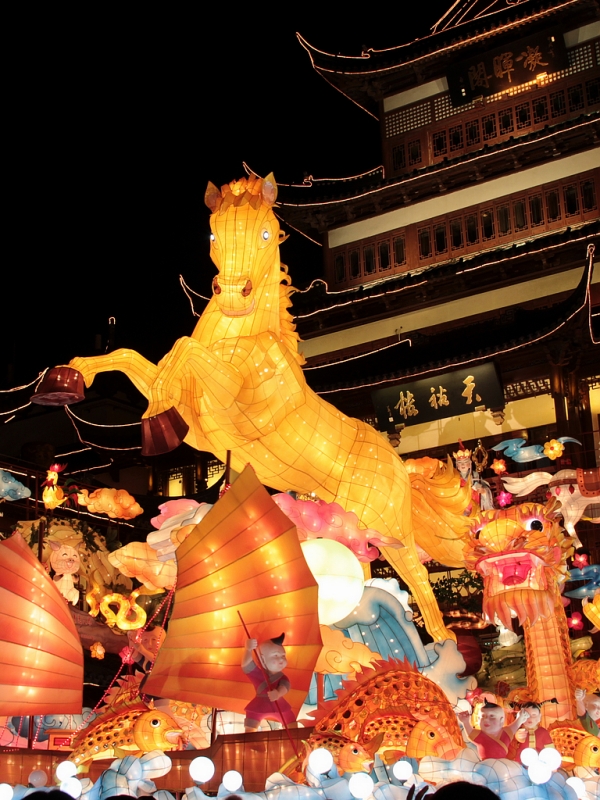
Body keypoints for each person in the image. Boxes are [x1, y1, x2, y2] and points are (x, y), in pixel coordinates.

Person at [242, 633, 296, 732]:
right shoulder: (257, 674)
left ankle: (294, 739)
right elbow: (247, 665)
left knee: (291, 722)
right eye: (275, 655)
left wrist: (278, 693)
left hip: (280, 705)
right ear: (261, 658)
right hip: (258, 705)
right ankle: (251, 743)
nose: (281, 659)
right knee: (250, 727)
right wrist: (248, 650)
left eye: (283, 655)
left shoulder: (282, 677)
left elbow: (285, 686)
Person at [457, 702, 529, 760]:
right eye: (483, 716)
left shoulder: (506, 733)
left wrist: (521, 717)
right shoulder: (479, 735)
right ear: (478, 719)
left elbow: (517, 722)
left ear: (501, 720)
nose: (486, 720)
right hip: (485, 768)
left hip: (502, 768)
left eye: (492, 716)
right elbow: (470, 732)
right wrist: (465, 722)